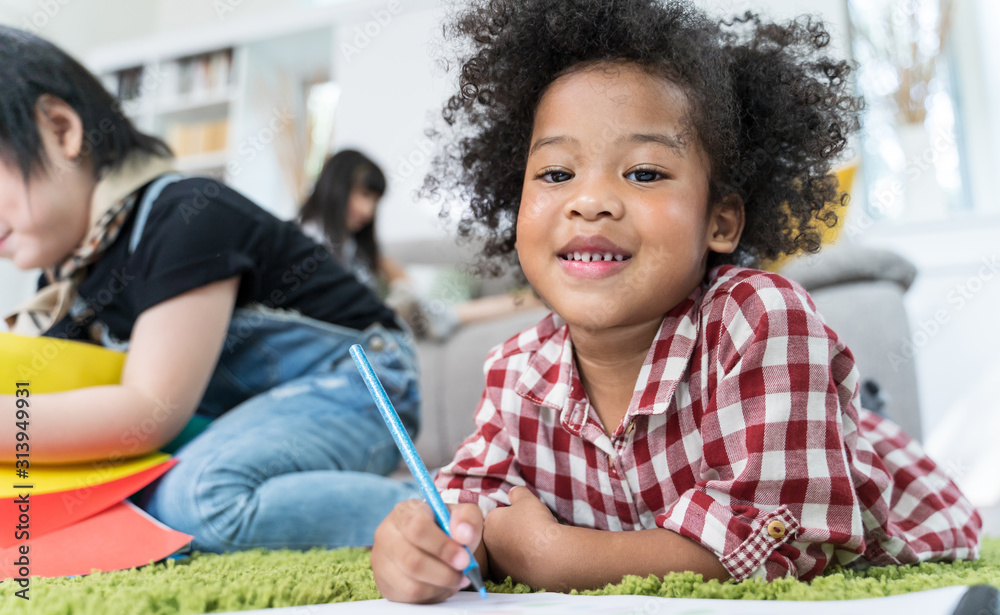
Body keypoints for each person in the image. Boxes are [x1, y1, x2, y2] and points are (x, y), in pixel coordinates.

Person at [369, 0, 982, 602]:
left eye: (643, 173)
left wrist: (553, 557)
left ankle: (853, 416)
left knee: (830, 449)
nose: (591, 201)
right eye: (556, 174)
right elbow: (471, 505)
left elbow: (788, 545)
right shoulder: (515, 374)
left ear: (720, 221)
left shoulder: (760, 319)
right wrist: (431, 548)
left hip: (883, 502)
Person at [0, 27, 420, 552]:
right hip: (245, 417)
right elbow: (53, 416)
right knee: (113, 503)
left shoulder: (183, 216)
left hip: (363, 382)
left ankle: (446, 514)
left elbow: (148, 411)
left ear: (61, 130)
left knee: (196, 500)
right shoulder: (64, 283)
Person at [299, 149, 543, 340]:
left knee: (429, 309)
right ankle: (523, 301)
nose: (368, 210)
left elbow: (393, 274)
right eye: (363, 195)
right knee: (437, 314)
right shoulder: (307, 241)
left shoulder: (353, 245)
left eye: (374, 201)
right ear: (336, 186)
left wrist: (400, 287)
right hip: (367, 325)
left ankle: (523, 301)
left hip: (392, 315)